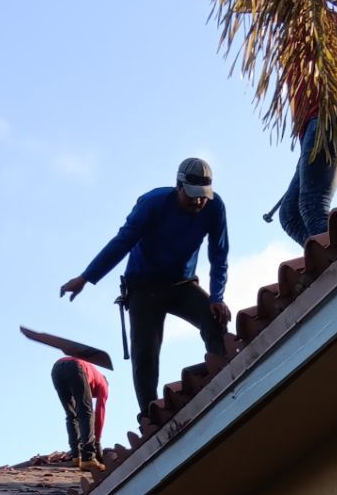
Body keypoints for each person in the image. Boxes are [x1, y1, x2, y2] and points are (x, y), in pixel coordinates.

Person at [61, 158, 230, 424]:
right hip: (144, 287)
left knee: (214, 317)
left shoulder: (215, 207)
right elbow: (121, 243)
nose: (198, 203)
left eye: (203, 198)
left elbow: (219, 254)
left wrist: (218, 297)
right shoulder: (153, 204)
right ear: (178, 186)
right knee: (145, 354)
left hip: (182, 284)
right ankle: (150, 416)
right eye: (193, 196)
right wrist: (86, 277)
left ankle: (225, 368)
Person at [277, 31, 337, 246]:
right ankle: (329, 254)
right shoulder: (287, 34)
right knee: (290, 213)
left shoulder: (318, 14)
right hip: (316, 129)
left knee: (312, 206)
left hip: (329, 118)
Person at [50, 351, 108, 467]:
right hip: (74, 367)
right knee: (86, 412)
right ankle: (88, 458)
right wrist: (97, 441)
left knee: (71, 414)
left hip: (56, 369)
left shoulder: (92, 373)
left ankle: (77, 456)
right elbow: (100, 413)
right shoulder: (103, 384)